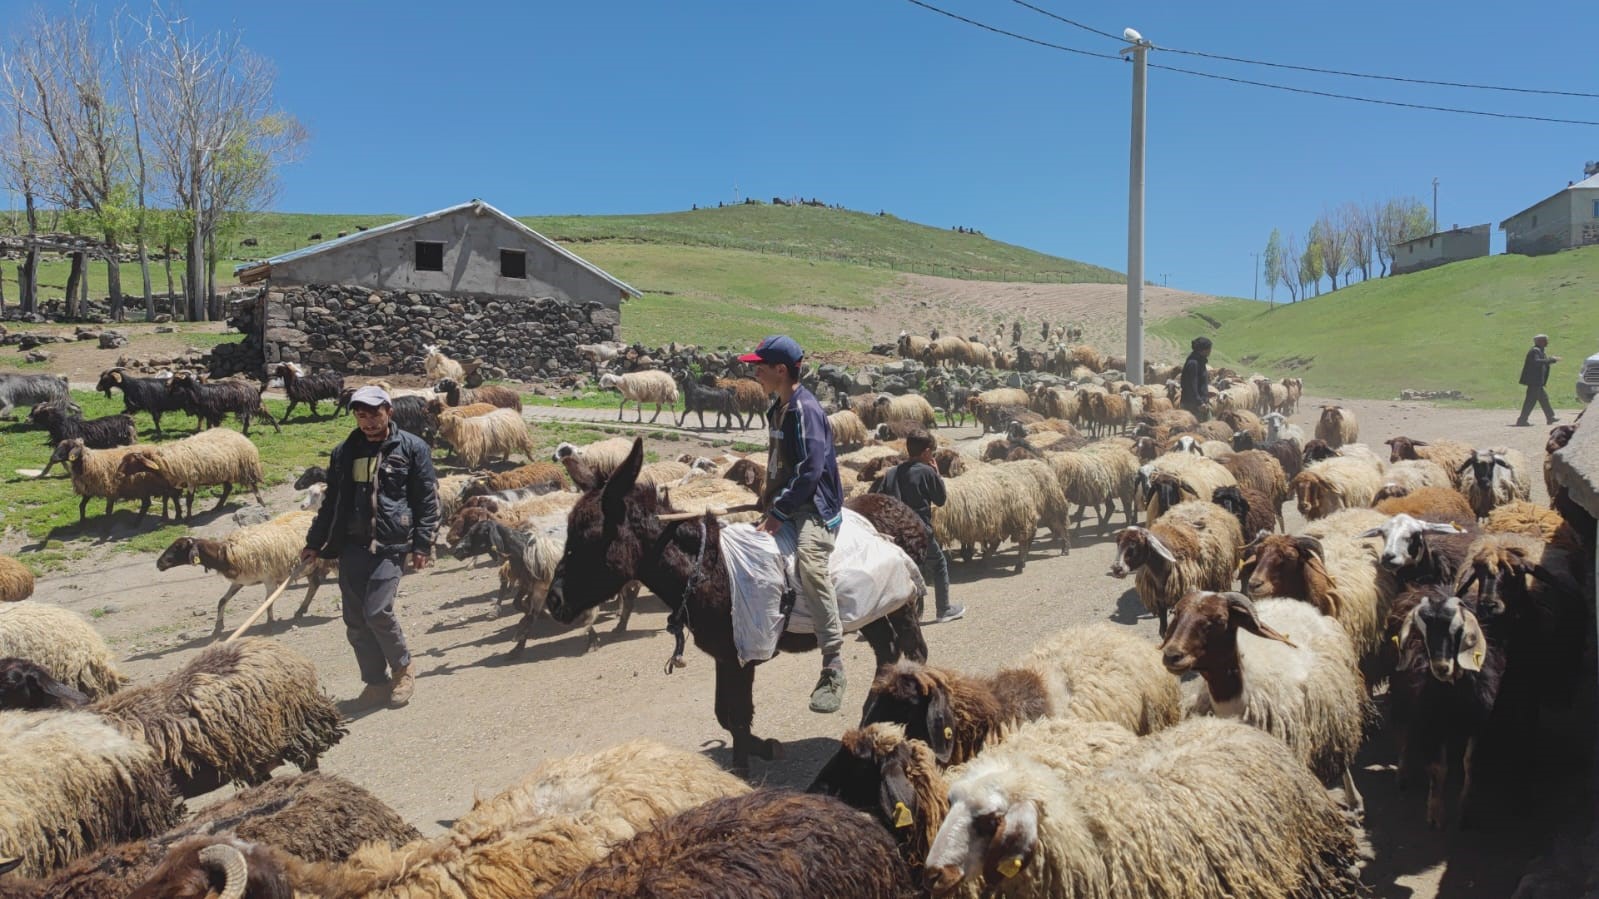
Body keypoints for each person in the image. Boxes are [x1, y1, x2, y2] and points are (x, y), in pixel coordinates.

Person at [302, 385, 439, 709]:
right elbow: (331, 503)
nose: (368, 422)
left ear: (388, 412)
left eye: (374, 414)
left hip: (391, 544)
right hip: (352, 545)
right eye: (361, 415)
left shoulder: (413, 448)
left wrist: (422, 544)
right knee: (355, 619)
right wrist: (313, 543)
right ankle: (375, 683)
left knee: (377, 611)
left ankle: (403, 668)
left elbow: (427, 500)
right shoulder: (343, 452)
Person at [740, 335, 848, 714]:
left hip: (815, 507)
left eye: (760, 365)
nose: (755, 370)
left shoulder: (805, 410)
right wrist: (767, 498)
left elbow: (810, 471)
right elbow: (779, 464)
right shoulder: (779, 407)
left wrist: (778, 513)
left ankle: (833, 663)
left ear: (780, 370)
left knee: (810, 565)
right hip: (788, 502)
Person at [870, 428, 964, 624]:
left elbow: (879, 498)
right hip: (919, 531)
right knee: (939, 565)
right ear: (927, 452)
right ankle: (944, 609)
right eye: (933, 452)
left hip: (895, 533)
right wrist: (937, 474)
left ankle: (895, 614)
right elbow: (940, 500)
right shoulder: (927, 471)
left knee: (901, 571)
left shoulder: (892, 472)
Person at [1515, 333, 1561, 427]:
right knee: (1530, 401)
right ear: (1540, 341)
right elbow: (1536, 362)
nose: (1547, 342)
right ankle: (1522, 420)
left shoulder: (1540, 351)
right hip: (1534, 382)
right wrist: (1550, 360)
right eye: (1545, 340)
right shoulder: (1534, 351)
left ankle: (1550, 417)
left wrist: (1550, 360)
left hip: (1537, 382)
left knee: (1544, 399)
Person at [1180, 336, 1212, 417]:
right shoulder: (1193, 363)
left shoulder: (1200, 361)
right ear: (1204, 350)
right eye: (1209, 348)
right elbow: (1191, 385)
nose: (1210, 351)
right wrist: (1199, 403)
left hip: (1200, 404)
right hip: (1193, 406)